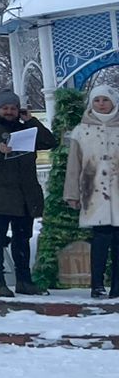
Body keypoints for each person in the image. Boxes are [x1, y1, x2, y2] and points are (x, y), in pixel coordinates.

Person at [0, 89, 57, 298]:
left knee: (22, 238)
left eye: (13, 108)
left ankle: (24, 280)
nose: (9, 111)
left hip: (25, 194)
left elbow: (49, 142)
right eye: (5, 108)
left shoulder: (26, 130)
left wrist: (32, 121)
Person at [63, 81, 119, 299]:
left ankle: (117, 286)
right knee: (100, 240)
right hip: (94, 192)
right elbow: (73, 164)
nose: (101, 104)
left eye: (106, 99)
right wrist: (72, 194)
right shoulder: (81, 131)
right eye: (97, 100)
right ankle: (97, 285)